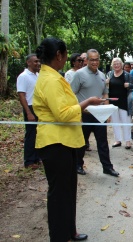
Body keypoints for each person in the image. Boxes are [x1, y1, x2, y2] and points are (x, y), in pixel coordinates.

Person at [33, 37, 103, 242]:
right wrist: (87, 102)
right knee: (59, 195)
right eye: (65, 55)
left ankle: (69, 230)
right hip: (55, 143)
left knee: (69, 190)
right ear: (58, 55)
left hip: (66, 142)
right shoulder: (50, 80)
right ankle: (59, 236)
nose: (66, 59)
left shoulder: (54, 76)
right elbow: (62, 114)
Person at [71, 49, 119, 177]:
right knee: (81, 142)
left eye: (97, 59)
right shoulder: (79, 74)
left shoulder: (102, 75)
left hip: (99, 115)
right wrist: (78, 110)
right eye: (92, 59)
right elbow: (71, 94)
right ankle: (78, 165)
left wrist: (107, 111)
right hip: (84, 114)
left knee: (102, 142)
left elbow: (105, 93)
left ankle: (107, 167)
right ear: (86, 60)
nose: (95, 62)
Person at [106, 57, 133, 149]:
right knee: (115, 122)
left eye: (118, 63)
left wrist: (129, 85)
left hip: (124, 102)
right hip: (112, 102)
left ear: (122, 65)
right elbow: (105, 88)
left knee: (126, 122)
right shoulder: (109, 74)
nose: (116, 65)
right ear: (112, 65)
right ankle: (117, 140)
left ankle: (128, 141)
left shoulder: (127, 75)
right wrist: (106, 83)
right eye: (114, 64)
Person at [17, 53, 41, 169]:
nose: (38, 63)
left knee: (38, 134)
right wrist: (28, 112)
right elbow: (22, 95)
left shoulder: (38, 75)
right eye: (35, 61)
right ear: (28, 62)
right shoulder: (23, 76)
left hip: (39, 108)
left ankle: (37, 158)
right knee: (31, 134)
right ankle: (29, 161)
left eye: (38, 61)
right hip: (30, 107)